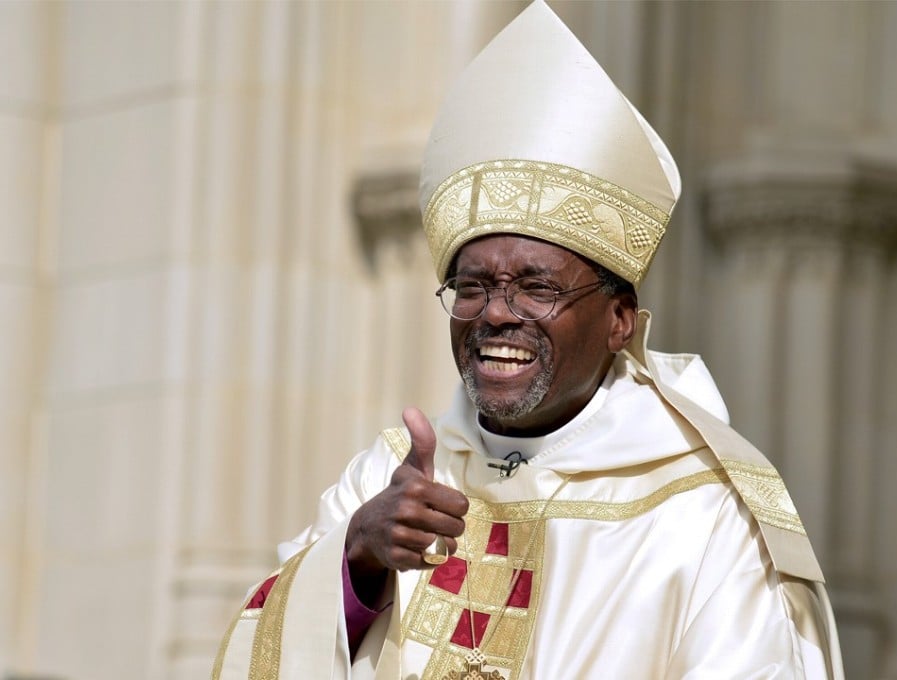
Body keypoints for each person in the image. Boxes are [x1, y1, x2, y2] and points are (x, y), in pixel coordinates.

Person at [212, 2, 844, 679]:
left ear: (619, 318)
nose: (496, 314)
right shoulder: (391, 480)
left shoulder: (704, 512)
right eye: (473, 286)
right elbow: (258, 654)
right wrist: (356, 561)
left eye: (537, 288)